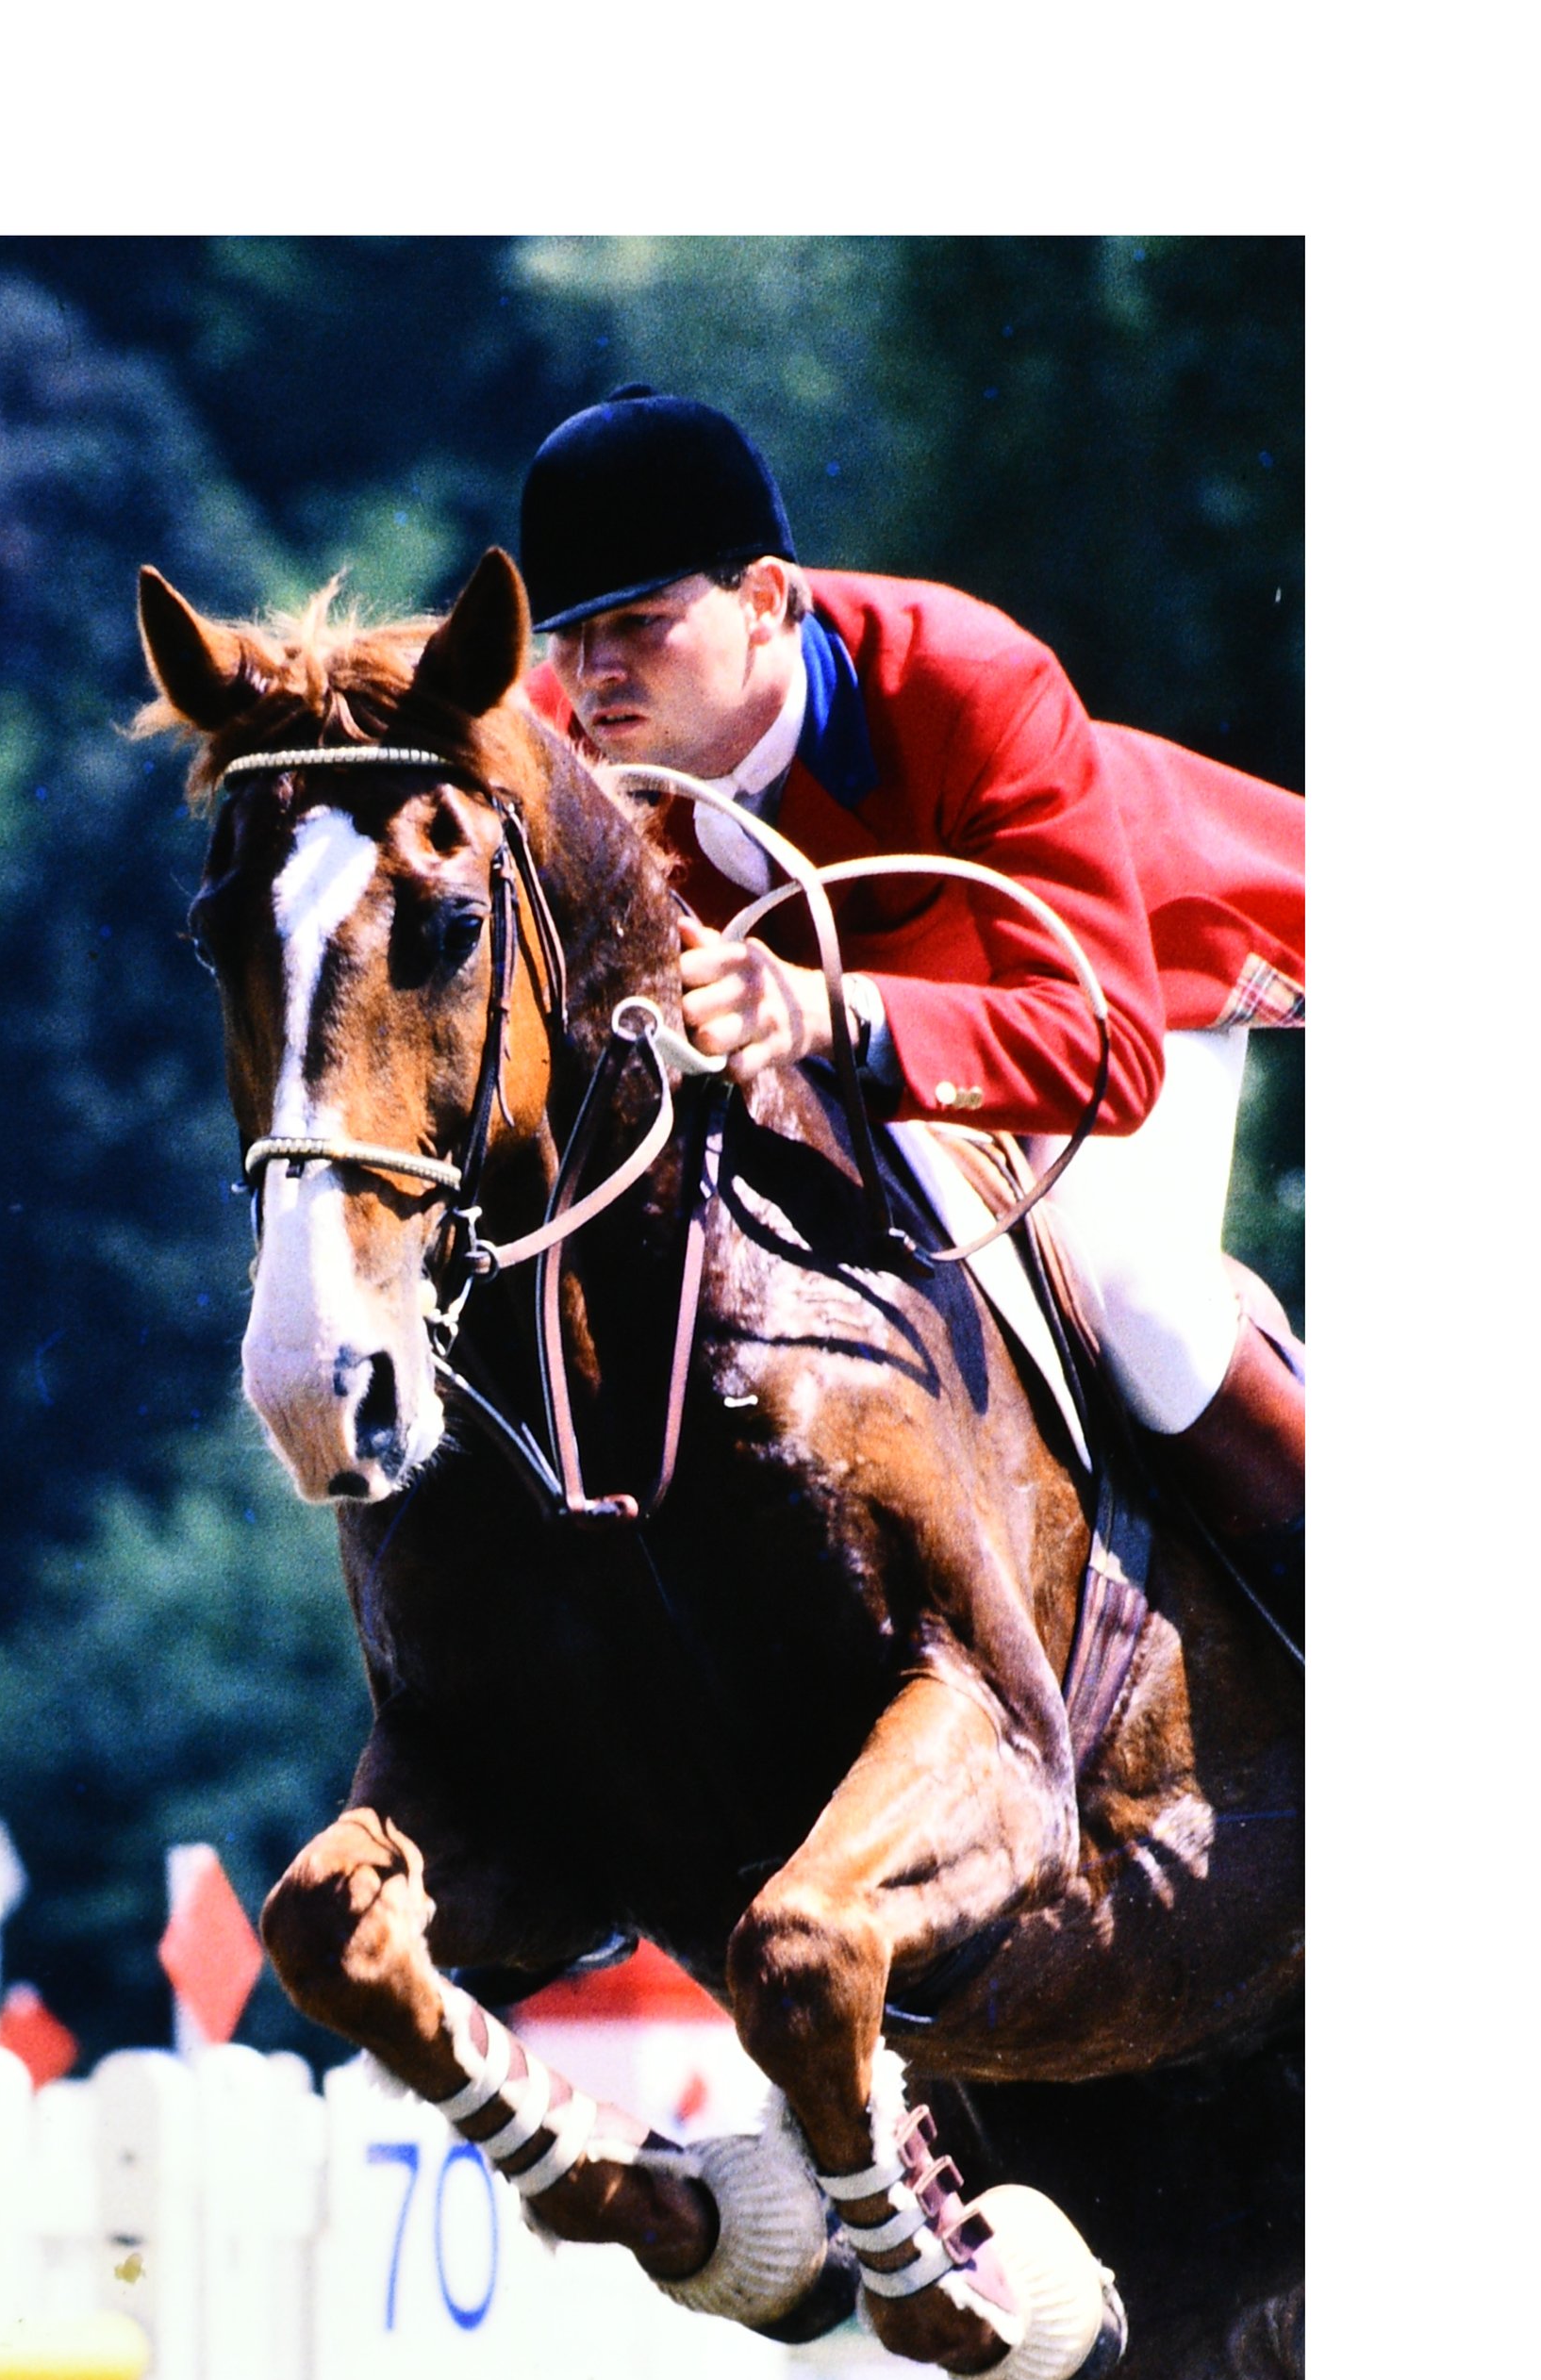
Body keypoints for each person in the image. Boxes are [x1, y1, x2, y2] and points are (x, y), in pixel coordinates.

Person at [515, 388, 1304, 1634]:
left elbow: (1101, 1045)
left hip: (1128, 979)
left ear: (768, 600)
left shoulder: (968, 676)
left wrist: (835, 1011)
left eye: (640, 625)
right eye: (566, 637)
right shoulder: (561, 745)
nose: (594, 673)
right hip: (850, 1046)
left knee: (1141, 1302)